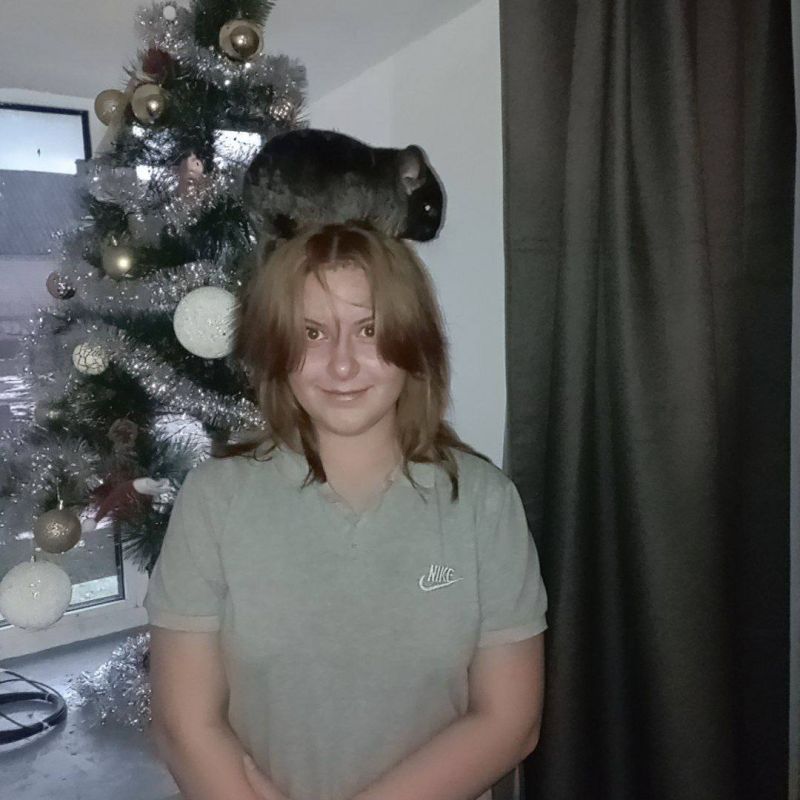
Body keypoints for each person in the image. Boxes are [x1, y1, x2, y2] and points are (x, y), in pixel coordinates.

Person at [145, 222, 548, 800]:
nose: (341, 365)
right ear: (279, 347)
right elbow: (184, 726)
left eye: (369, 330)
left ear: (413, 342)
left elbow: (509, 722)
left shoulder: (485, 503)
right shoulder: (215, 499)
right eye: (312, 333)